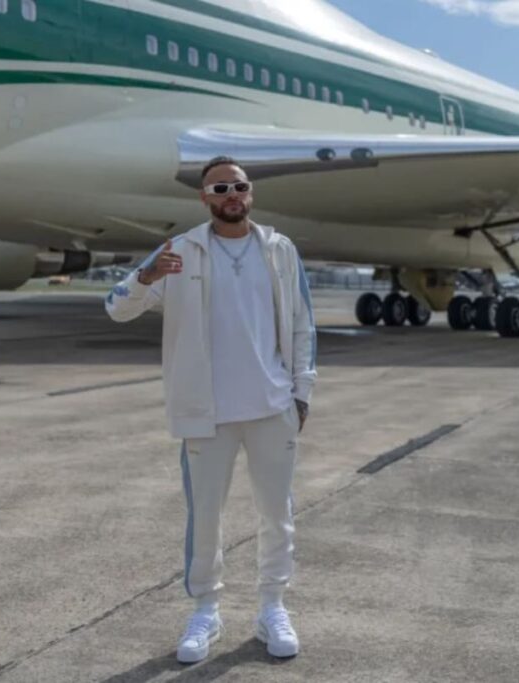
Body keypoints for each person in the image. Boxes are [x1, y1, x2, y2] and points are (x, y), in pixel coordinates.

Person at [105, 156, 317, 663]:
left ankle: (272, 608)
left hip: (271, 408)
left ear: (251, 193)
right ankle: (205, 611)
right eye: (220, 187)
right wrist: (144, 276)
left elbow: (302, 325)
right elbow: (117, 308)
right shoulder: (179, 251)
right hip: (207, 414)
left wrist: (301, 393)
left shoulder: (279, 250)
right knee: (206, 519)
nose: (231, 194)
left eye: (239, 186)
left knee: (277, 514)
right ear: (204, 197)